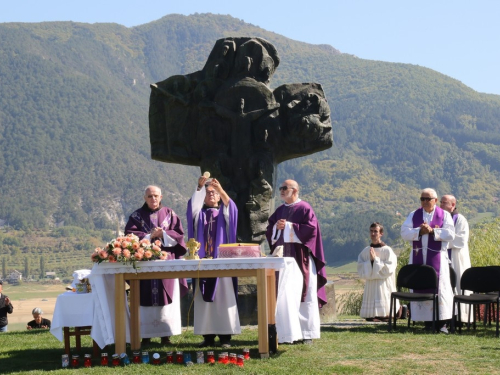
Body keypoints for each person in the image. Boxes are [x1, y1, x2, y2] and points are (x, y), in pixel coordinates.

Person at [266, 179, 327, 344]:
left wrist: (288, 226)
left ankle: (307, 334)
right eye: (281, 188)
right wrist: (276, 229)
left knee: (304, 296)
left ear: (295, 190)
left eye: (285, 188)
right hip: (284, 259)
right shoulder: (280, 210)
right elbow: (270, 229)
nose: (282, 191)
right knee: (285, 295)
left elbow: (311, 230)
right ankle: (287, 334)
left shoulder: (305, 208)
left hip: (301, 259)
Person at [125, 185, 188, 345]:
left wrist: (164, 234)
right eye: (150, 196)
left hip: (166, 263)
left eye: (156, 196)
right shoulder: (137, 216)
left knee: (166, 297)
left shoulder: (170, 213)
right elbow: (130, 235)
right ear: (145, 198)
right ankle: (145, 335)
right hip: (144, 264)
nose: (153, 199)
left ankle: (165, 335)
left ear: (161, 197)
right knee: (144, 297)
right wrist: (149, 235)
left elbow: (180, 235)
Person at [186, 176, 240, 348]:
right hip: (202, 263)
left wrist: (221, 189)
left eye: (214, 193)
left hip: (221, 263)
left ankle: (225, 337)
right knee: (204, 301)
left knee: (223, 299)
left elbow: (232, 210)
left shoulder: (224, 214)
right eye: (208, 193)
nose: (211, 195)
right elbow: (192, 206)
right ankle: (207, 336)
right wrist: (200, 187)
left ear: (219, 196)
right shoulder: (198, 215)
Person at [401, 188, 455, 333]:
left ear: (435, 201)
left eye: (428, 199)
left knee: (441, 289)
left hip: (438, 259)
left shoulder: (444, 215)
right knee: (421, 286)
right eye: (422, 199)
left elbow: (450, 234)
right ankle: (427, 323)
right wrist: (419, 231)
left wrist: (432, 231)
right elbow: (404, 232)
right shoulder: (414, 215)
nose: (424, 202)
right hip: (419, 258)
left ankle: (442, 323)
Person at [357, 222, 399, 322]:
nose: (373, 234)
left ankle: (386, 314)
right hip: (371, 284)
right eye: (371, 231)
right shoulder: (365, 251)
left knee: (384, 296)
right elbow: (360, 266)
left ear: (381, 234)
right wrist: (370, 261)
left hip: (383, 283)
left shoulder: (387, 250)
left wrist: (375, 261)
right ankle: (371, 314)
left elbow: (389, 268)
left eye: (375, 231)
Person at [440, 194, 471, 321]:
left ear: (453, 205)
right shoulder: (440, 219)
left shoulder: (460, 220)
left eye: (444, 202)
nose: (441, 205)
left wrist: (441, 240)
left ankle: (459, 319)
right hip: (442, 258)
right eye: (440, 202)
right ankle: (444, 317)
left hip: (456, 259)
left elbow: (461, 240)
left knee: (458, 285)